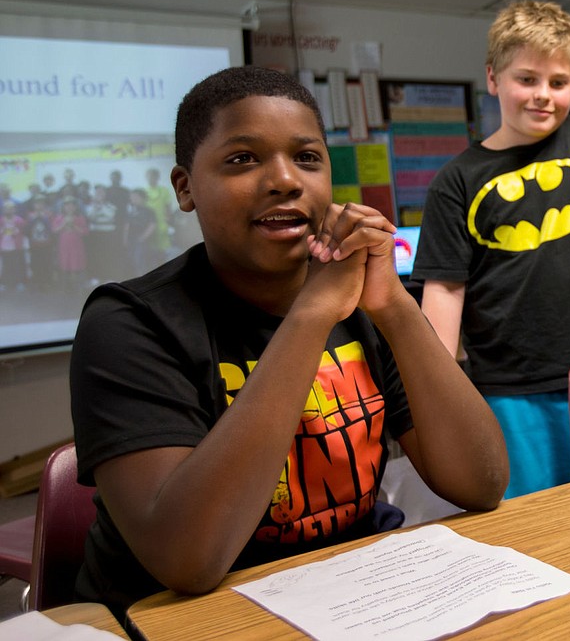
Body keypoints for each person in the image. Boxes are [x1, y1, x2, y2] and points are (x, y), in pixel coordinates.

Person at [70, 66, 508, 620]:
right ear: (185, 187)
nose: (284, 180)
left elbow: (481, 482)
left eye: (307, 158)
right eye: (242, 159)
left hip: (353, 595)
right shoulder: (129, 322)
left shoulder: (365, 305)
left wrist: (394, 307)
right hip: (186, 620)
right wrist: (312, 315)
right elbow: (187, 561)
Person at [414, 0, 570, 497]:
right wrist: (438, 391)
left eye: (558, 83)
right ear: (493, 78)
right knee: (533, 513)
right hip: (508, 385)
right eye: (527, 79)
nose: (544, 96)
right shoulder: (456, 180)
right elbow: (445, 289)